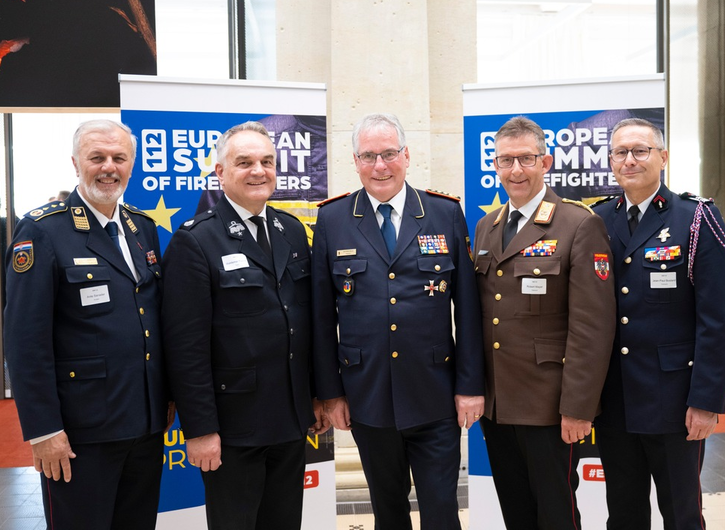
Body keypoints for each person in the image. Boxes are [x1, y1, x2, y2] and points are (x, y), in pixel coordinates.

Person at [312, 113, 484, 530]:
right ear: (355, 161)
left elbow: (468, 308)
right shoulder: (333, 219)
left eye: (389, 154)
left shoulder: (444, 213)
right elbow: (320, 316)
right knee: (388, 513)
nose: (380, 166)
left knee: (442, 513)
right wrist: (331, 393)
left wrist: (470, 386)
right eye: (368, 156)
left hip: (434, 394)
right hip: (367, 395)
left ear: (407, 156)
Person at [3, 119, 170, 530]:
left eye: (119, 158)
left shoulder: (142, 227)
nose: (109, 167)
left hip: (144, 423)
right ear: (76, 163)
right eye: (97, 157)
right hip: (80, 432)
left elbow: (151, 318)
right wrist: (44, 430)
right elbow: (25, 339)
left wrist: (165, 398)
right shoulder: (43, 230)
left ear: (131, 165)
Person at [161, 121, 327, 530]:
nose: (259, 171)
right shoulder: (196, 240)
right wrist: (200, 429)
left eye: (267, 162)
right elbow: (185, 347)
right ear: (220, 172)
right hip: (233, 428)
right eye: (245, 162)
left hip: (290, 420)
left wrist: (316, 396)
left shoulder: (291, 230)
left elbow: (304, 322)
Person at [592, 118, 725, 530]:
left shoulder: (696, 219)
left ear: (663, 157)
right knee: (623, 514)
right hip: (615, 398)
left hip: (675, 401)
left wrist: (706, 401)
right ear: (611, 161)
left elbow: (718, 320)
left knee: (681, 514)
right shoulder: (598, 220)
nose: (630, 160)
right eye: (620, 152)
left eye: (640, 150)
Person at [473, 115, 616, 530]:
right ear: (495, 166)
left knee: (557, 515)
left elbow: (593, 327)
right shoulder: (486, 227)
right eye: (505, 160)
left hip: (550, 405)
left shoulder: (578, 224)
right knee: (516, 512)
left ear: (546, 162)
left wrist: (578, 408)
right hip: (499, 404)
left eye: (526, 159)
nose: (515, 170)